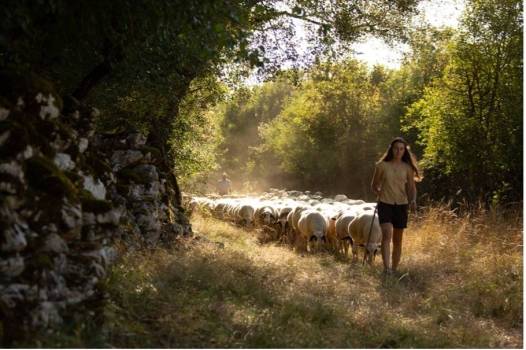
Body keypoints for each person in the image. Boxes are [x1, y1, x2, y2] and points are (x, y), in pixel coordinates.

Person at [370, 137, 422, 275]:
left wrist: (413, 200)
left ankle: (394, 268)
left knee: (398, 240)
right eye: (395, 148)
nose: (398, 151)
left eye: (401, 149)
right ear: (391, 150)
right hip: (385, 203)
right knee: (386, 234)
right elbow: (374, 185)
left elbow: (411, 187)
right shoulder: (382, 166)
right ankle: (387, 269)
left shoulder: (408, 168)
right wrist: (379, 192)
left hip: (401, 205)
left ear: (404, 151)